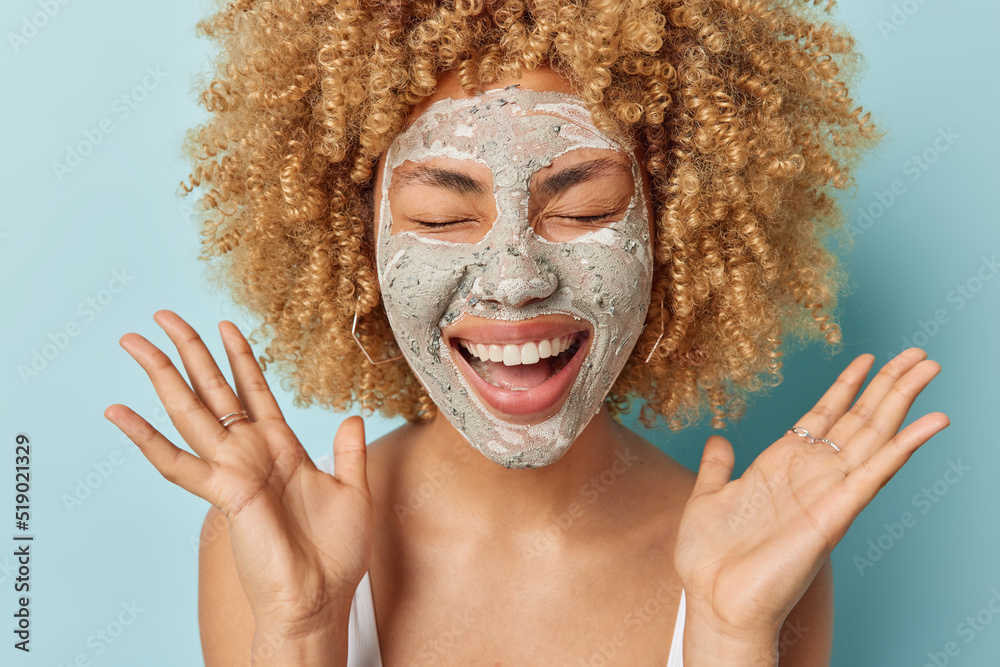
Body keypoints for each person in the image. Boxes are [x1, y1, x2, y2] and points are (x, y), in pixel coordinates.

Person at [104, 1, 949, 665]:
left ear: (678, 225)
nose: (514, 279)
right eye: (441, 213)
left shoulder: (760, 557)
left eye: (583, 208)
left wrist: (729, 637)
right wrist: (297, 632)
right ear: (351, 238)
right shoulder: (269, 544)